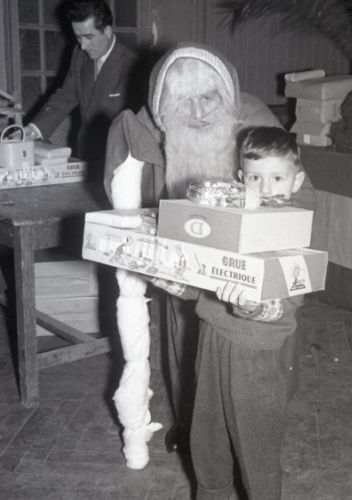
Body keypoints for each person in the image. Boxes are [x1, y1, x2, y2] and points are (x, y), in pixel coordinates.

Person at [103, 43, 316, 468]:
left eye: (208, 97)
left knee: (254, 372)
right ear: (164, 105)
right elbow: (123, 151)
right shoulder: (154, 121)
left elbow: (299, 194)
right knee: (184, 337)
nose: (198, 112)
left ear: (228, 95)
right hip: (187, 260)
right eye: (184, 101)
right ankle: (191, 423)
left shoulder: (254, 119)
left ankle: (253, 426)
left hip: (252, 267)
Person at [150, 125, 309, 499]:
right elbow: (205, 279)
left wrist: (253, 304)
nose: (265, 188)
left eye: (277, 178)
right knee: (207, 440)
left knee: (256, 449)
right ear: (240, 179)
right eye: (255, 178)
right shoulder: (229, 225)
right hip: (212, 342)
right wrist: (172, 280)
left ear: (296, 181)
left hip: (256, 354)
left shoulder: (293, 231)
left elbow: (288, 301)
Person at [25, 0, 143, 180]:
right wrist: (32, 131)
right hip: (86, 156)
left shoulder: (133, 64)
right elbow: (65, 97)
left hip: (119, 163)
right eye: (78, 38)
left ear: (107, 31)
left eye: (89, 37)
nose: (83, 46)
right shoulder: (79, 56)